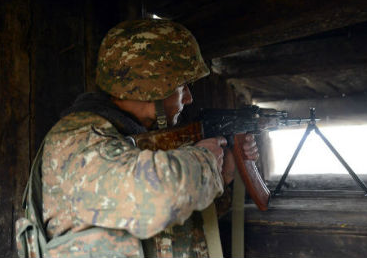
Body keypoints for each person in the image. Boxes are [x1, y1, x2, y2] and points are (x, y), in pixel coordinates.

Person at [16, 19, 258, 258]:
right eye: (182, 87)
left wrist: (223, 174)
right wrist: (205, 161)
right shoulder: (76, 141)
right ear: (152, 88)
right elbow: (159, 201)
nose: (188, 99)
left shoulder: (135, 139)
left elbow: (176, 229)